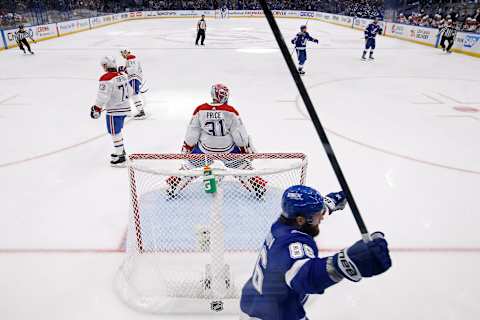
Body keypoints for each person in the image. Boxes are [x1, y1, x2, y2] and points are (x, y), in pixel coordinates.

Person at [240, 185, 392, 320]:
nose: (322, 218)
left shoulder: (282, 224)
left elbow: (309, 215)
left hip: (255, 300)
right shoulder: (293, 245)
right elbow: (305, 275)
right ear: (300, 220)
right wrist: (344, 262)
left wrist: (330, 202)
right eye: (318, 215)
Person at [167, 84, 260, 198]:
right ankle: (257, 187)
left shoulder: (200, 109)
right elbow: (239, 134)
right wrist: (245, 149)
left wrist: (188, 147)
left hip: (205, 150)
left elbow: (193, 131)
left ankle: (173, 186)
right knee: (242, 167)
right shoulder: (230, 111)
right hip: (227, 150)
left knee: (190, 166)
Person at [90, 57, 132, 167]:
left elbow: (102, 96)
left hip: (114, 110)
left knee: (114, 132)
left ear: (105, 66)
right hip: (125, 108)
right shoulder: (122, 75)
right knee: (116, 131)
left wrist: (97, 108)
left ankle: (121, 156)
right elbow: (131, 91)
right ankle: (120, 151)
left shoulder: (106, 78)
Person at [119, 49, 146, 119]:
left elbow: (132, 69)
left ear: (126, 52)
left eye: (122, 53)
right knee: (128, 94)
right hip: (134, 78)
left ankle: (141, 111)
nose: (122, 55)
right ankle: (127, 111)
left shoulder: (131, 58)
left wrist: (123, 68)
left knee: (133, 94)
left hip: (134, 78)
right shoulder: (131, 59)